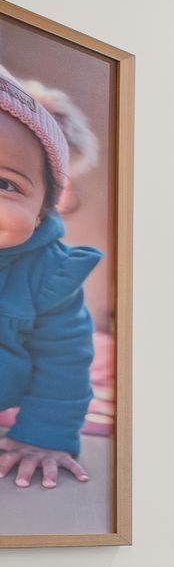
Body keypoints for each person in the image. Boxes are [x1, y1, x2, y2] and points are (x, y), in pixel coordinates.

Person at [0, 72, 101, 491]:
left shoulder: (49, 273)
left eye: (4, 183)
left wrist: (43, 436)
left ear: (42, 211)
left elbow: (65, 361)